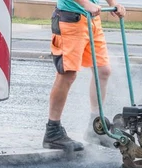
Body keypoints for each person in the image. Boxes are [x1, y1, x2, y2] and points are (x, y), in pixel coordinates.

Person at [43, 0, 127, 152]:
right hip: (71, 20)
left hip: (91, 20)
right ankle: (52, 131)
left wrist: (114, 4)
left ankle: (95, 127)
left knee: (103, 70)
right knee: (67, 74)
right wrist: (86, 3)